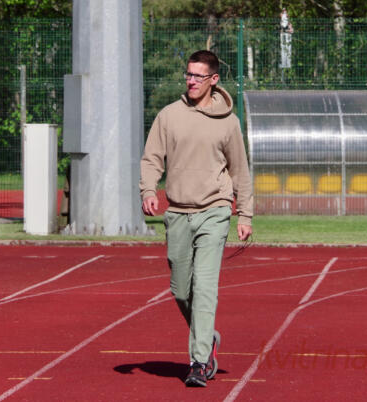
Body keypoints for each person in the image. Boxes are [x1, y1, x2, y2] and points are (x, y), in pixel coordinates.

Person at [139, 50, 253, 387]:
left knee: (204, 287)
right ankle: (207, 335)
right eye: (188, 74)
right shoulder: (169, 116)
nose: (191, 81)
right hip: (177, 212)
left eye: (198, 76)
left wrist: (245, 213)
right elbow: (151, 158)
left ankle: (199, 361)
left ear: (213, 80)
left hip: (215, 211)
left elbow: (240, 170)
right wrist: (148, 190)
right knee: (180, 290)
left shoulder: (228, 122)